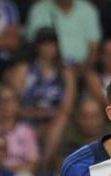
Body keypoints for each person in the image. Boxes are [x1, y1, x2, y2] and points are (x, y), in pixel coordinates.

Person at [8, 27, 77, 168]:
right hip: (27, 119)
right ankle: (42, 168)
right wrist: (34, 113)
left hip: (55, 120)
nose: (49, 48)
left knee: (60, 121)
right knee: (35, 130)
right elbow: (12, 105)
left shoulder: (66, 72)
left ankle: (42, 167)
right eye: (44, 44)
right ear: (37, 46)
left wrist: (49, 115)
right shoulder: (23, 70)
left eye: (52, 44)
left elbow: (67, 107)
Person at [0, 85, 40, 172]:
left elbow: (33, 164)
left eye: (11, 100)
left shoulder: (27, 132)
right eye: (2, 100)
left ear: (17, 104)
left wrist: (9, 173)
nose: (6, 104)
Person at [25, 0, 102, 70]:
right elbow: (32, 46)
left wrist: (83, 69)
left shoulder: (87, 9)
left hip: (83, 69)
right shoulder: (38, 10)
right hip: (48, 69)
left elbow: (94, 48)